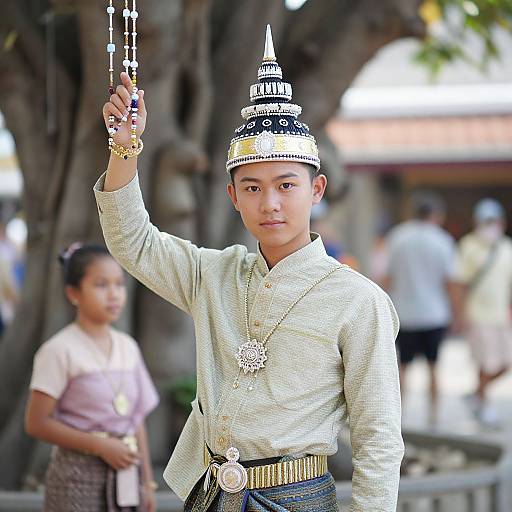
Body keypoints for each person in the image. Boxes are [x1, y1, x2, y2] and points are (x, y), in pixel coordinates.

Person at [96, 26, 403, 512]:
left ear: (317, 190)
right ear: (233, 197)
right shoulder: (213, 274)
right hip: (211, 494)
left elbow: (378, 436)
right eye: (253, 188)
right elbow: (132, 241)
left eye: (286, 185)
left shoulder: (359, 301)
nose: (271, 203)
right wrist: (124, 148)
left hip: (297, 499)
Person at [25, 244, 159, 511]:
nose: (114, 294)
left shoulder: (127, 346)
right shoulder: (59, 350)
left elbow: (137, 421)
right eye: (101, 285)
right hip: (75, 476)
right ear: (73, 293)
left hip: (126, 474)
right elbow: (36, 423)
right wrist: (100, 446)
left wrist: (147, 483)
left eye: (119, 284)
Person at [382, 192, 457, 424]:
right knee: (434, 367)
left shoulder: (398, 237)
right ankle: (433, 418)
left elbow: (386, 277)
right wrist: (456, 312)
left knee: (403, 367)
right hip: (434, 314)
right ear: (437, 215)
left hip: (403, 313)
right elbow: (450, 281)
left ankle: (400, 419)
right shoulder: (443, 240)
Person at [456, 199, 512, 426]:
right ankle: (484, 404)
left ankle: (476, 394)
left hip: (501, 316)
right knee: (485, 363)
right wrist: (459, 315)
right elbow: (459, 283)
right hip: (478, 316)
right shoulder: (469, 246)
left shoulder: (506, 247)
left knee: (505, 363)